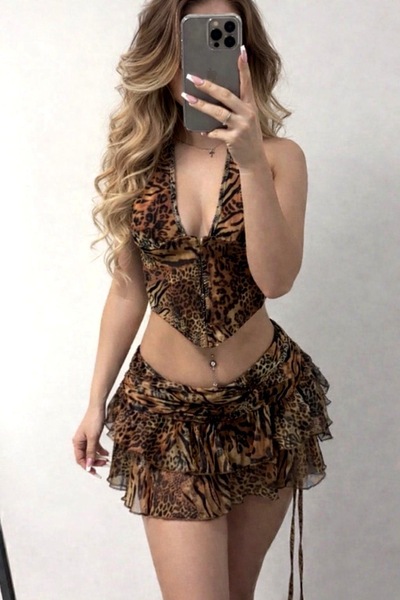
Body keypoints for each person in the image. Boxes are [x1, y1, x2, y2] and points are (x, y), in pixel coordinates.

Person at [72, 0, 332, 598]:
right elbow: (128, 290)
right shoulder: (141, 161)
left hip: (265, 407)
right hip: (165, 418)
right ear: (165, 54)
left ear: (247, 56)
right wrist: (94, 402)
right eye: (194, 43)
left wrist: (250, 161)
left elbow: (276, 280)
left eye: (225, 41)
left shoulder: (280, 158)